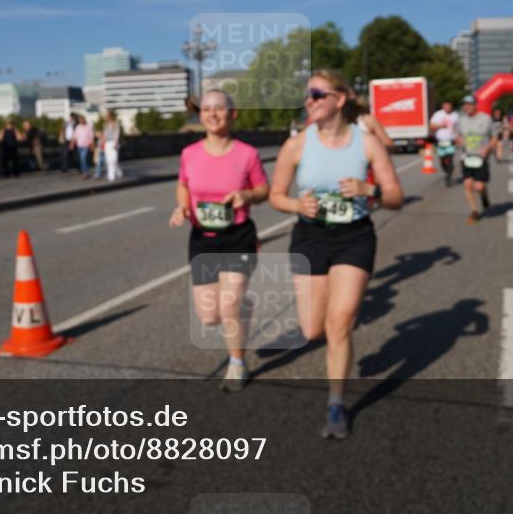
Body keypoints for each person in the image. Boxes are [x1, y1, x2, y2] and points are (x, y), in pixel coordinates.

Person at [269, 70, 403, 439]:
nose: (309, 100)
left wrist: (369, 190)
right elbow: (275, 194)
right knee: (313, 329)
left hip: (354, 238)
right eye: (307, 94)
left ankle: (335, 404)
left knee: (338, 323)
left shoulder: (367, 142)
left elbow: (396, 197)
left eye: (317, 93)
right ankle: (339, 327)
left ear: (340, 99)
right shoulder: (296, 145)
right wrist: (297, 203)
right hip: (311, 237)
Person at [170, 89, 269, 391]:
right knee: (209, 316)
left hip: (238, 236)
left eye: (219, 108)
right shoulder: (190, 153)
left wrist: (247, 195)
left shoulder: (247, 153)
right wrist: (182, 205)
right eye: (206, 109)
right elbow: (183, 184)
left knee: (228, 305)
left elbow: (264, 190)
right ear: (200, 115)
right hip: (203, 238)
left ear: (232, 113)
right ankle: (242, 308)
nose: (212, 114)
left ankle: (237, 364)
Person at [455, 96, 496, 224]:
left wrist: (487, 148)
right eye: (464, 105)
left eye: (469, 104)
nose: (466, 107)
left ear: (475, 105)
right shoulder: (461, 120)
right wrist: (459, 141)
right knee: (467, 184)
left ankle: (484, 195)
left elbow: (494, 138)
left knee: (479, 186)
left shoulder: (486, 119)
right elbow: (458, 136)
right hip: (467, 156)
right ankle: (474, 211)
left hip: (481, 157)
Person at [429, 100, 459, 186]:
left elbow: (459, 127)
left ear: (451, 106)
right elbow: (431, 126)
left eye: (449, 106)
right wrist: (440, 126)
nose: (447, 108)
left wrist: (458, 136)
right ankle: (446, 172)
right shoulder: (438, 114)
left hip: (451, 140)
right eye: (445, 106)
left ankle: (448, 177)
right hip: (440, 141)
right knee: (442, 159)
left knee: (449, 158)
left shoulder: (455, 115)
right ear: (443, 106)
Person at [101, 111, 123, 182]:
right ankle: (119, 172)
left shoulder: (115, 123)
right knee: (108, 160)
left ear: (110, 116)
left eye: (107, 116)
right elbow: (104, 135)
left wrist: (116, 143)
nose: (106, 117)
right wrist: (102, 143)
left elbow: (117, 133)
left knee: (112, 160)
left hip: (113, 142)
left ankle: (111, 176)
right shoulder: (105, 124)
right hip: (107, 143)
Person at [72, 115, 95, 179]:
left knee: (83, 158)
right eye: (80, 120)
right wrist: (72, 143)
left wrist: (92, 144)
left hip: (86, 145)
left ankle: (84, 173)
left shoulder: (88, 127)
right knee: (83, 160)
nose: (81, 121)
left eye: (82, 120)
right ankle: (86, 171)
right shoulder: (78, 127)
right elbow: (75, 136)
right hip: (79, 145)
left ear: (84, 120)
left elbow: (91, 136)